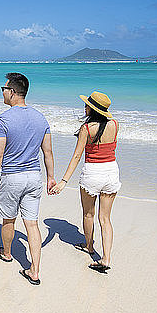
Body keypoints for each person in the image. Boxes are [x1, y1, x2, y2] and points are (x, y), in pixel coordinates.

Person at [0, 72, 56, 285]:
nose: (2, 92)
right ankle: (34, 270)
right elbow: (48, 152)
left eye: (4, 88)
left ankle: (7, 253)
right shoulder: (40, 117)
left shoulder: (3, 119)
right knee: (32, 224)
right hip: (34, 177)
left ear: (12, 92)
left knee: (9, 219)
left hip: (12, 177)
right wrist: (51, 178)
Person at [50, 91, 121, 273]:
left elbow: (76, 156)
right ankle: (106, 257)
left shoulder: (86, 129)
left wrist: (64, 182)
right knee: (105, 219)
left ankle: (89, 247)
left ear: (92, 108)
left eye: (87, 104)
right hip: (111, 172)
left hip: (93, 173)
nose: (85, 107)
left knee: (88, 215)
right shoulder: (115, 124)